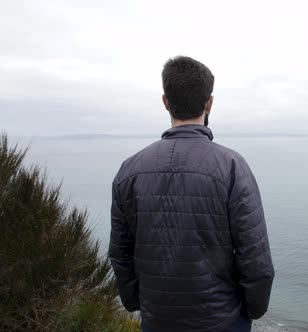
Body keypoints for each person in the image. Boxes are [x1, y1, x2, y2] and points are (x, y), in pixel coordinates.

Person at [108, 56, 274, 332]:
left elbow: (120, 253)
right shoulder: (232, 167)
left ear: (165, 101)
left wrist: (137, 302)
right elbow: (256, 258)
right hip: (223, 321)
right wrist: (253, 310)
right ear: (209, 103)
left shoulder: (130, 170)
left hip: (156, 319)